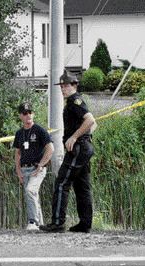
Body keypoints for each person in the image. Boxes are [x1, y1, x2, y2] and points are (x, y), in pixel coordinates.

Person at [40, 70, 97, 233]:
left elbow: (90, 120)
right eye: (61, 86)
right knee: (82, 186)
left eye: (65, 86)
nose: (62, 89)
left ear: (74, 85)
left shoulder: (75, 101)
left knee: (62, 183)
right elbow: (92, 124)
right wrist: (84, 135)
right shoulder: (75, 101)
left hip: (78, 149)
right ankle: (85, 224)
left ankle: (57, 223)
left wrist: (74, 137)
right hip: (83, 148)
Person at [13, 103, 54, 231]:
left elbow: (50, 148)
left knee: (30, 190)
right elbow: (18, 152)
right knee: (32, 196)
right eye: (25, 113)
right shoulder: (19, 133)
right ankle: (40, 225)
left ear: (33, 114)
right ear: (20, 116)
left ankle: (33, 221)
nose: (28, 115)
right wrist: (18, 170)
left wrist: (41, 164)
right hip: (24, 169)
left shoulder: (40, 130)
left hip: (37, 169)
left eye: (30, 112)